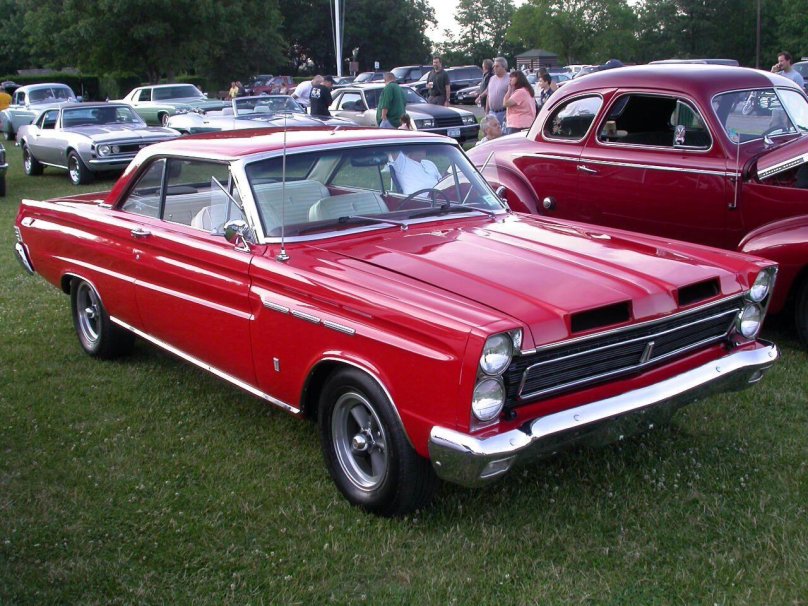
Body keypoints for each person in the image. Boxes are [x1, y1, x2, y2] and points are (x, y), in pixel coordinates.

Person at [503, 70, 536, 135]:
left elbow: (505, 104)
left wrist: (509, 91)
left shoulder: (520, 92)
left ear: (518, 79)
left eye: (512, 77)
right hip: (528, 122)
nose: (510, 79)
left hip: (517, 124)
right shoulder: (527, 90)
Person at [485, 57, 509, 126]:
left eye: (497, 66)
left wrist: (507, 113)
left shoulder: (509, 79)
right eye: (494, 66)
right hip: (492, 112)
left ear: (504, 67)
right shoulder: (492, 79)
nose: (494, 68)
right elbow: (488, 96)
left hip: (503, 113)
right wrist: (486, 112)